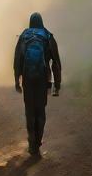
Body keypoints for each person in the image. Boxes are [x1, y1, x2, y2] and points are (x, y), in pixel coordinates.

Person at [13, 12, 62, 158]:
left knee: (30, 109)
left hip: (28, 78)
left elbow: (17, 60)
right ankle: (38, 141)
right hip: (43, 79)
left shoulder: (24, 36)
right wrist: (57, 84)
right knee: (40, 110)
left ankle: (31, 143)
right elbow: (56, 62)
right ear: (41, 22)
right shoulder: (47, 36)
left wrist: (17, 80)